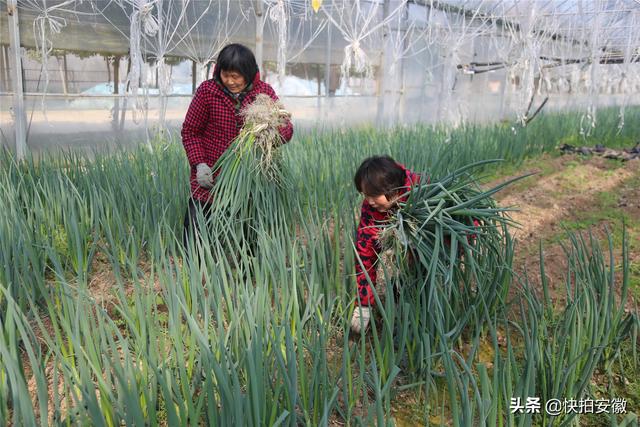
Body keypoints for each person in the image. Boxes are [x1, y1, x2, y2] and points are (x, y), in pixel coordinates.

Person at [181, 43, 294, 248]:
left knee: (248, 233)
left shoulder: (263, 93)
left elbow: (286, 128)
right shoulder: (208, 91)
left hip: (248, 178)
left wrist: (270, 134)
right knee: (197, 231)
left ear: (248, 74)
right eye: (226, 75)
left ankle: (247, 273)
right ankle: (196, 272)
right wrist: (200, 164)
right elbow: (190, 131)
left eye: (236, 76)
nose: (230, 81)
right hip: (211, 176)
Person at [351, 156, 419, 334]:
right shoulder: (370, 211)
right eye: (365, 195)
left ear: (392, 188)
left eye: (373, 195)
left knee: (421, 273)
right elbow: (364, 253)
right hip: (405, 255)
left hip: (433, 256)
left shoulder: (422, 191)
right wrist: (364, 304)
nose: (369, 201)